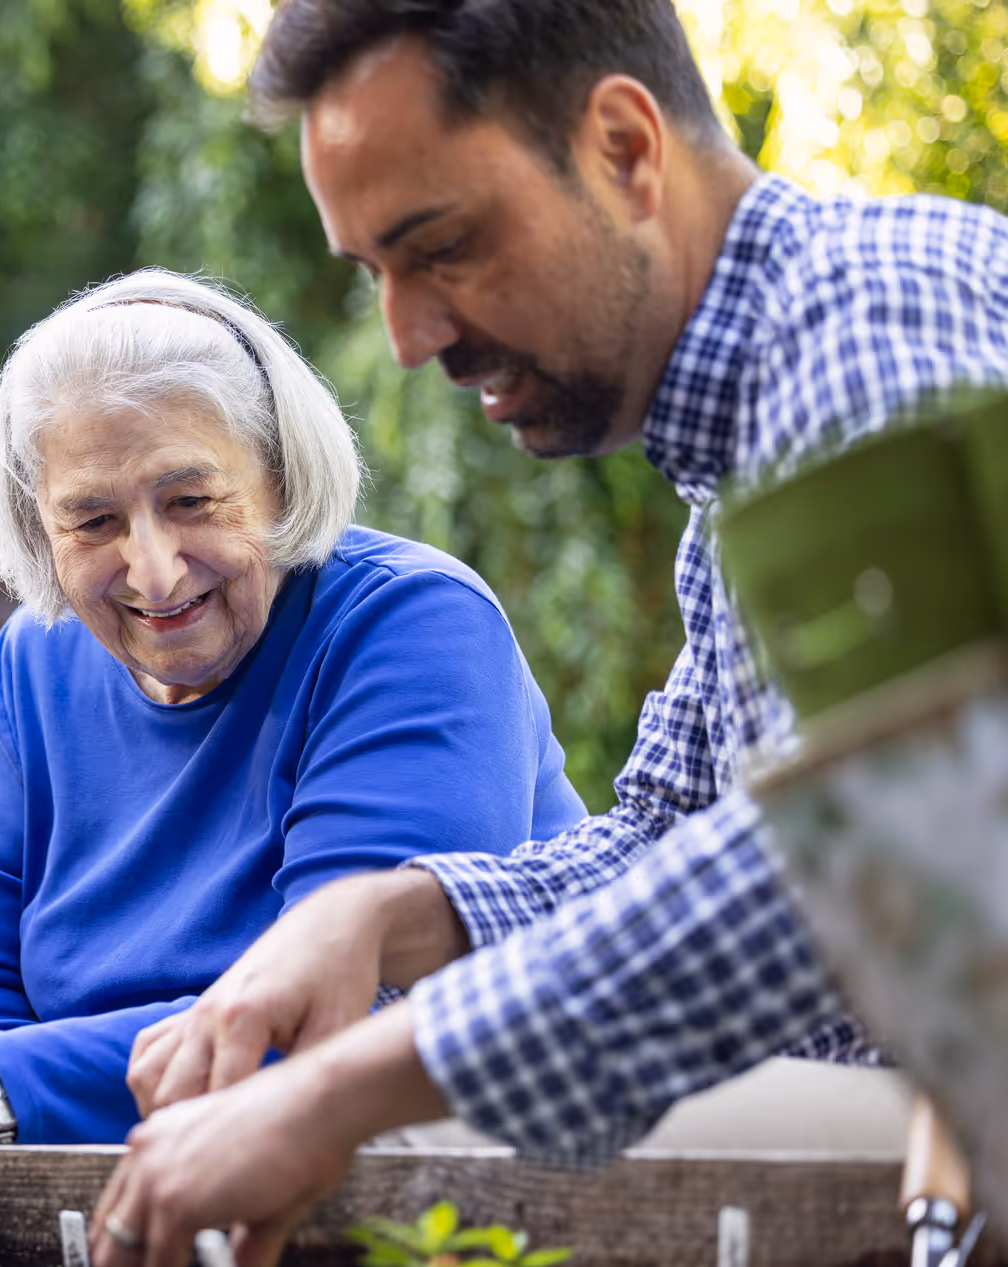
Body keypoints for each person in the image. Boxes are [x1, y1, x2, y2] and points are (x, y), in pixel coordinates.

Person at [89, 2, 1008, 1263]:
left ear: (627, 149)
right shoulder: (744, 438)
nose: (409, 339)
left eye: (442, 246)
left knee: (379, 1151)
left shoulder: (866, 330)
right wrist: (387, 915)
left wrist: (336, 1091)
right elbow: (669, 844)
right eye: (376, 277)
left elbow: (869, 846)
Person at [0, 268, 586, 1150]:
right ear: (39, 530)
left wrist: (0, 1086)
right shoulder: (33, 668)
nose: (153, 570)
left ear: (282, 481)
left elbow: (346, 1009)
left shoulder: (413, 626)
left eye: (191, 501)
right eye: (93, 521)